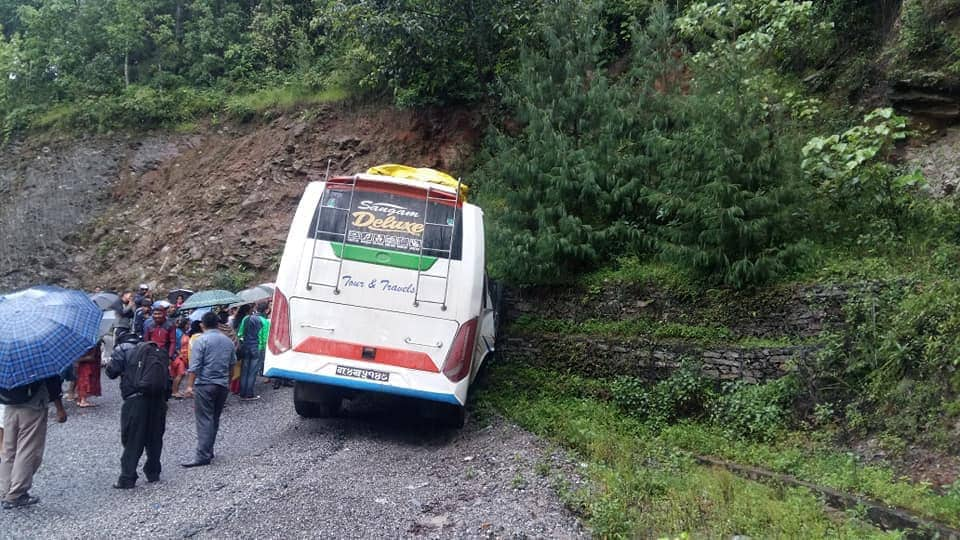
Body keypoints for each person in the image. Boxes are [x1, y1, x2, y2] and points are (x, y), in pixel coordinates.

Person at [105, 329, 168, 489]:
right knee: (155, 437)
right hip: (158, 399)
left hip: (135, 400)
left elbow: (111, 373)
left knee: (133, 438)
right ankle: (153, 473)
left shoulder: (121, 349)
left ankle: (127, 477)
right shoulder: (151, 350)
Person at [0, 375, 67, 509]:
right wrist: (59, 407)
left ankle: (5, 489)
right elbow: (52, 381)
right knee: (28, 449)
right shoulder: (38, 357)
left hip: (9, 405)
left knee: (9, 449)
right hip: (33, 405)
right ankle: (17, 493)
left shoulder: (5, 357)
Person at [182, 311, 236, 468]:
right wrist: (228, 381)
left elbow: (195, 365)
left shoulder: (201, 340)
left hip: (205, 384)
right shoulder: (228, 341)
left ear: (202, 325)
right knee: (215, 418)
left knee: (204, 419)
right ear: (218, 324)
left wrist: (190, 386)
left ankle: (202, 455)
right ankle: (209, 449)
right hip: (222, 384)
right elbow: (232, 364)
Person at [237, 303, 264, 400]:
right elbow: (261, 333)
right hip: (255, 347)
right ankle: (249, 393)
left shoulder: (245, 319)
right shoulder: (259, 320)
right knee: (252, 371)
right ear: (252, 310)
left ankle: (242, 393)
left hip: (246, 346)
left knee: (244, 371)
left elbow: (240, 333)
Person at [74, 342, 103, 408]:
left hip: (83, 364)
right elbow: (92, 357)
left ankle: (81, 399)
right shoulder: (94, 342)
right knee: (87, 380)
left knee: (82, 379)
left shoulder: (81, 342)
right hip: (90, 365)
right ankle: (83, 400)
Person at [170, 319, 191, 399]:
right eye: (187, 324)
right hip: (178, 356)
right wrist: (179, 354)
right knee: (180, 374)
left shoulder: (180, 332)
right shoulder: (178, 332)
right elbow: (174, 344)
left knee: (177, 374)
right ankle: (174, 391)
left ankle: (176, 390)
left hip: (181, 355)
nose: (188, 326)